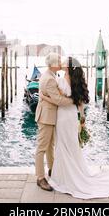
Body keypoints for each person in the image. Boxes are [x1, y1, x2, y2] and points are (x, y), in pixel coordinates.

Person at [39, 57, 109, 199]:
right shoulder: (76, 82)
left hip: (62, 117)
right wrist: (82, 119)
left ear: (68, 67)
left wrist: (44, 98)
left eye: (64, 63)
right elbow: (80, 102)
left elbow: (59, 101)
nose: (61, 63)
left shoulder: (61, 80)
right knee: (72, 146)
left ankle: (64, 177)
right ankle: (68, 173)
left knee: (63, 146)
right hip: (72, 116)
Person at [35, 53, 74, 192]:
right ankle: (40, 178)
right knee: (42, 147)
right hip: (46, 116)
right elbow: (58, 100)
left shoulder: (51, 75)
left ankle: (52, 170)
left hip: (50, 115)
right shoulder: (49, 79)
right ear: (53, 64)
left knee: (50, 146)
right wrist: (74, 102)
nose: (60, 62)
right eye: (58, 61)